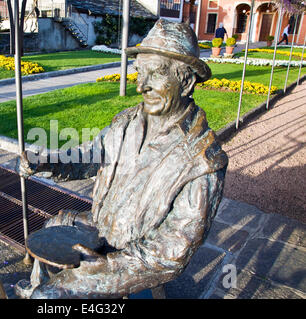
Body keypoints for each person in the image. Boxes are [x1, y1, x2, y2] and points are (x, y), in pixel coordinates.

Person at [15, 19, 228, 299]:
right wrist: (48, 161)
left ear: (186, 81)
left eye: (155, 74)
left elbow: (170, 252)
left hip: (133, 256)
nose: (141, 86)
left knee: (51, 297)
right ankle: (38, 287)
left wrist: (107, 268)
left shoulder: (202, 161)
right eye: (139, 72)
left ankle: (44, 294)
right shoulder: (127, 122)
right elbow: (90, 156)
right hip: (100, 226)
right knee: (53, 228)